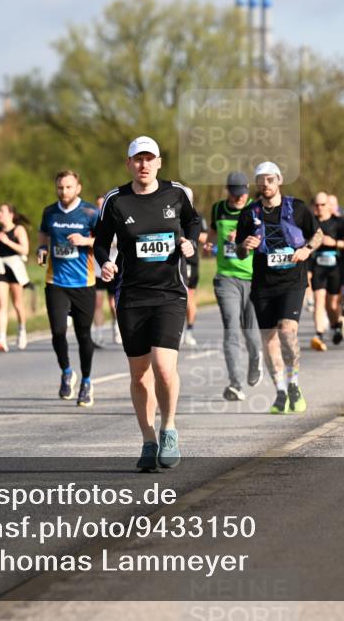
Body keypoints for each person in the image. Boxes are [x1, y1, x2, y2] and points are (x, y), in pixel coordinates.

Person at [94, 136, 199, 471]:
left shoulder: (177, 193)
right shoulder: (116, 200)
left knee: (164, 368)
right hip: (132, 295)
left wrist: (190, 243)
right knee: (139, 375)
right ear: (129, 164)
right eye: (137, 159)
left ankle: (169, 429)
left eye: (149, 158)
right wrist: (105, 264)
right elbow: (100, 243)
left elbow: (194, 222)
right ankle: (148, 439)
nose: (143, 165)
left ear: (159, 162)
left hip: (170, 293)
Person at [236, 161, 321, 414]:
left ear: (280, 180)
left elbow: (318, 234)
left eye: (270, 180)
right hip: (263, 284)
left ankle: (294, 383)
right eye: (261, 181)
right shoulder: (249, 213)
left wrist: (306, 249)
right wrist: (245, 246)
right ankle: (281, 392)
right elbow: (239, 252)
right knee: (269, 340)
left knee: (287, 330)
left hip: (292, 281)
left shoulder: (297, 208)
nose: (266, 185)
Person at [38, 170, 100, 407]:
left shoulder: (90, 213)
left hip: (84, 283)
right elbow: (43, 234)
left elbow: (106, 239)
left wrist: (86, 241)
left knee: (84, 335)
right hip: (56, 282)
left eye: (69, 187)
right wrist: (41, 250)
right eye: (60, 187)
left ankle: (86, 381)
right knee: (58, 332)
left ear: (78, 188)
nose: (64, 192)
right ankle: (66, 371)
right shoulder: (49, 212)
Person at [205, 172, 263, 402]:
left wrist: (243, 235)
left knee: (251, 333)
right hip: (226, 277)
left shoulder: (256, 209)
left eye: (243, 193)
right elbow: (212, 231)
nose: (239, 198)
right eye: (235, 193)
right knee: (231, 326)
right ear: (228, 190)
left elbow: (267, 236)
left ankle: (255, 360)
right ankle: (235, 383)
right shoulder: (218, 208)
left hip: (254, 277)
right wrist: (209, 243)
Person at [309, 192, 344, 350]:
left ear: (329, 205)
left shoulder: (339, 222)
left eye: (323, 205)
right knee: (319, 299)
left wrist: (334, 243)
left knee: (332, 304)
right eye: (317, 205)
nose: (319, 208)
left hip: (336, 267)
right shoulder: (311, 222)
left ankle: (336, 324)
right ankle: (319, 334)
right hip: (317, 266)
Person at [0, 203, 31, 352]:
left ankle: (22, 331)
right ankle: (1, 339)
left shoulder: (19, 230)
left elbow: (25, 249)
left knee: (18, 304)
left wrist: (7, 241)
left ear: (11, 214)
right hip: (0, 268)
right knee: (2, 303)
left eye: (2, 211)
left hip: (15, 269)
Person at [92, 195, 121, 348]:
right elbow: (93, 242)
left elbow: (119, 241)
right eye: (97, 205)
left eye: (102, 204)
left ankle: (117, 328)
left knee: (113, 304)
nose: (99, 207)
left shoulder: (114, 218)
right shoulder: (94, 222)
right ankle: (99, 335)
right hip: (97, 269)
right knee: (97, 303)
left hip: (113, 266)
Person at [180, 208, 208, 348]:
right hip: (172, 262)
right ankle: (177, 331)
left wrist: (189, 236)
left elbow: (206, 237)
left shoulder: (196, 215)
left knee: (189, 296)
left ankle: (189, 331)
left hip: (190, 261)